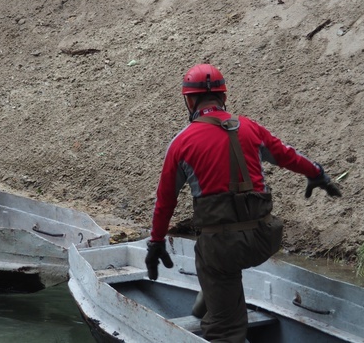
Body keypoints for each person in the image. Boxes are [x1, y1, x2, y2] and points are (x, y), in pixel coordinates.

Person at [145, 63, 342, 342]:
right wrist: (317, 174)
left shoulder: (182, 143)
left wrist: (156, 242)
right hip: (264, 240)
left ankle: (217, 310)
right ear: (224, 97)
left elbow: (165, 201)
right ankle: (211, 300)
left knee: (222, 313)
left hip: (222, 251)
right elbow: (288, 155)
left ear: (189, 100)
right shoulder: (250, 127)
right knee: (220, 261)